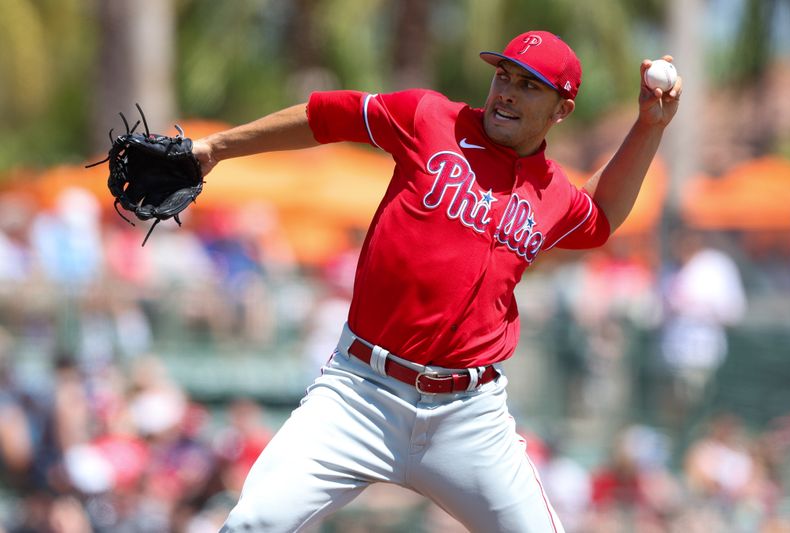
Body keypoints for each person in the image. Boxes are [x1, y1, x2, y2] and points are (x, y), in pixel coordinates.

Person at [192, 30, 682, 532]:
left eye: (530, 86)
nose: (508, 91)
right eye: (503, 76)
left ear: (562, 110)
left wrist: (648, 126)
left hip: (467, 416)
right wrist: (215, 148)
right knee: (252, 523)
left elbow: (600, 216)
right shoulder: (428, 118)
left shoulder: (552, 192)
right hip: (361, 394)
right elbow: (325, 114)